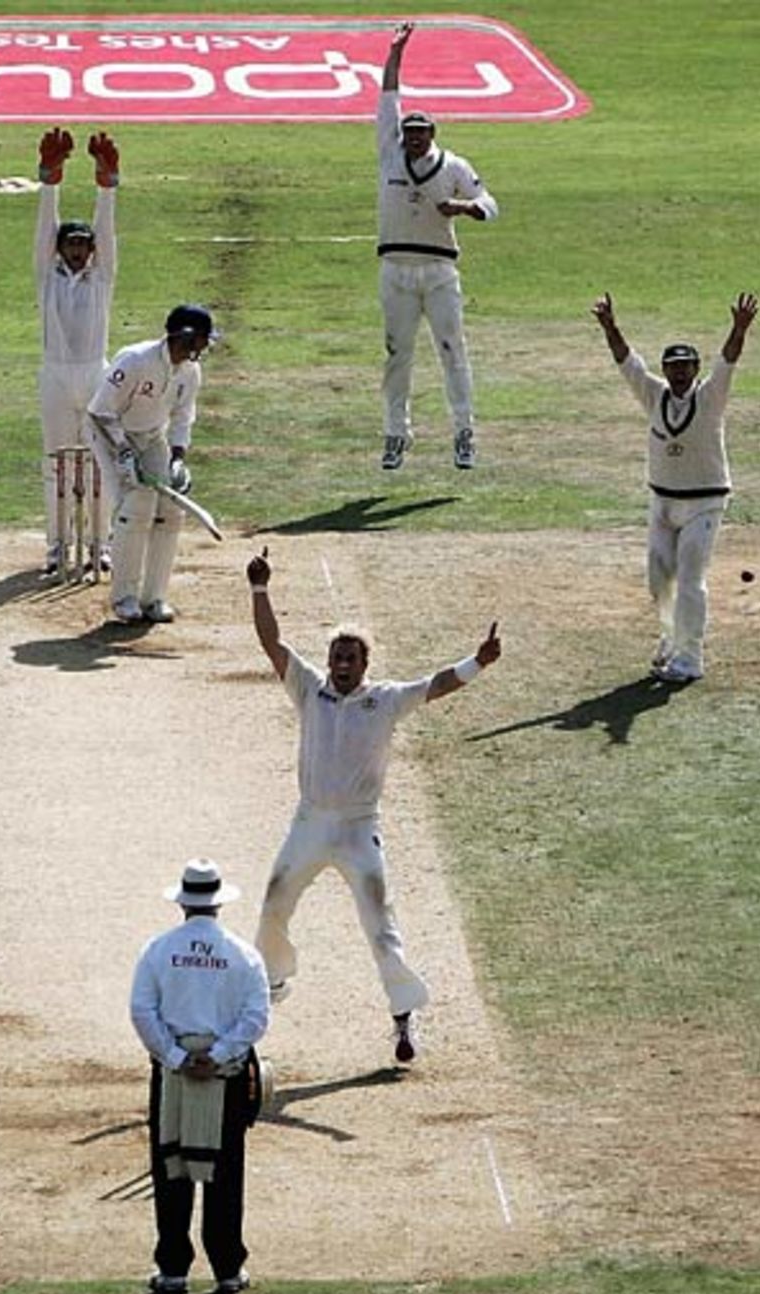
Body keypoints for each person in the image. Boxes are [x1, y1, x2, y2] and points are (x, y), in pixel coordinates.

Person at [246, 548, 501, 1062]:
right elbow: (272, 643)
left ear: (365, 664)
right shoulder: (309, 689)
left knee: (380, 928)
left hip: (359, 831)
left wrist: (479, 662)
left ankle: (404, 1020)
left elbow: (437, 684)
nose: (340, 666)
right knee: (274, 903)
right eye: (336, 658)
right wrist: (259, 589)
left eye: (350, 659)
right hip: (310, 823)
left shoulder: (385, 699)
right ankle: (271, 983)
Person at [592, 291, 760, 684]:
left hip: (705, 503)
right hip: (662, 502)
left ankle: (691, 658)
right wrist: (610, 326)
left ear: (695, 368)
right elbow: (627, 363)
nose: (680, 372)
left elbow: (728, 362)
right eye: (674, 366)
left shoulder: (710, 396)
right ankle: (669, 640)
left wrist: (739, 329)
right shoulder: (654, 395)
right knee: (657, 577)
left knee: (689, 579)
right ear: (666, 370)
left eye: (687, 366)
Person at [129, 859, 270, 1294]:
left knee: (172, 1169)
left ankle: (173, 1270)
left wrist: (176, 1056)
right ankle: (228, 1269)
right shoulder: (242, 954)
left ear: (184, 904)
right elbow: (256, 1016)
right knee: (225, 1173)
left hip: (173, 1073)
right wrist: (220, 1055)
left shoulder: (158, 949)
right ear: (218, 905)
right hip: (223, 1076)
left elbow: (142, 1011)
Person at [377, 20, 499, 474]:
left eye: (421, 134)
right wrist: (396, 52)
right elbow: (388, 100)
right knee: (397, 355)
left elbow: (491, 204)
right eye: (409, 133)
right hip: (395, 271)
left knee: (453, 351)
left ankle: (464, 432)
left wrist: (464, 209)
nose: (413, 139)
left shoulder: (454, 166)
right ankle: (395, 434)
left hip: (439, 272)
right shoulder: (389, 153)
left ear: (433, 135)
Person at [86, 303, 217, 623]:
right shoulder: (136, 360)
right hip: (108, 433)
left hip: (150, 436)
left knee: (171, 510)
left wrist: (177, 460)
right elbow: (101, 411)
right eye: (202, 338)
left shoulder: (190, 371)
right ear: (185, 336)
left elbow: (183, 417)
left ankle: (154, 597)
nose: (206, 345)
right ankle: (124, 598)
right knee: (137, 506)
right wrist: (123, 453)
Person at [33, 125, 119, 578]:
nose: (80, 251)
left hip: (95, 375)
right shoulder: (47, 278)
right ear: (60, 248)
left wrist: (107, 188)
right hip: (54, 375)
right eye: (72, 244)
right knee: (56, 464)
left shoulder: (102, 278)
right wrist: (51, 180)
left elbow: (108, 235)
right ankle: (56, 546)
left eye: (85, 245)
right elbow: (44, 231)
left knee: (99, 466)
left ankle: (101, 546)